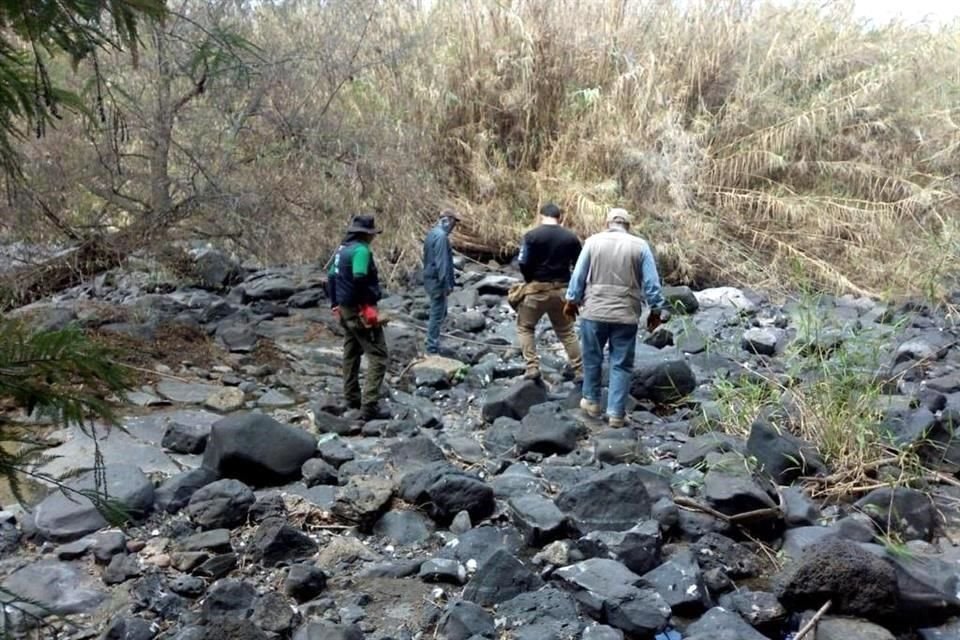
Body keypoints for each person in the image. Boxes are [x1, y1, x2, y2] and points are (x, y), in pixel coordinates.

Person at [563, 208, 668, 428]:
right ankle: (616, 414)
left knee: (592, 357)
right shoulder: (640, 246)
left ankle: (591, 401)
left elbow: (579, 275)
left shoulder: (593, 242)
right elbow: (651, 283)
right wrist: (656, 309)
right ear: (628, 225)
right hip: (626, 313)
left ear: (607, 223)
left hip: (594, 310)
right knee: (621, 364)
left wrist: (572, 301)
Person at [327, 214, 390, 421]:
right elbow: (360, 276)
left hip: (345, 308)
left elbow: (331, 277)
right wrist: (367, 306)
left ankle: (351, 398)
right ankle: (369, 406)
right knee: (378, 356)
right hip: (358, 308)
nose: (373, 238)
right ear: (366, 235)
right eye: (372, 234)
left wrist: (335, 304)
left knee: (351, 352)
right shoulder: (361, 251)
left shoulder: (342, 250)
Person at [514, 202, 583, 381]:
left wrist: (529, 279)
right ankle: (580, 370)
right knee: (567, 332)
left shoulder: (531, 236)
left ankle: (532, 367)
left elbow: (523, 262)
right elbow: (579, 266)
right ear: (559, 218)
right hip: (562, 291)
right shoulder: (571, 238)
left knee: (526, 327)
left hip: (536, 290)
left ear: (541, 215)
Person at [421, 209, 460, 355]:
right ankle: (432, 346)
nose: (454, 227)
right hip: (437, 281)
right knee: (437, 314)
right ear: (448, 220)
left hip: (429, 278)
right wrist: (447, 284)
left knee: (439, 312)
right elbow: (441, 262)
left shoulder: (432, 233)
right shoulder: (442, 237)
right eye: (454, 223)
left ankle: (433, 341)